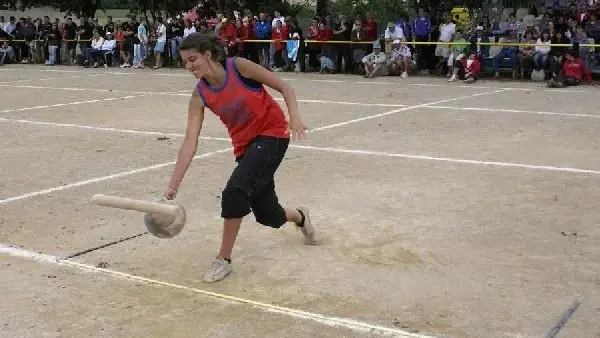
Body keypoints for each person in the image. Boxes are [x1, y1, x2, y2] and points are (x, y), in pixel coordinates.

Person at [163, 33, 316, 283]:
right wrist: (172, 187)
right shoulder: (199, 95)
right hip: (246, 148)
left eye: (193, 59)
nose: (189, 66)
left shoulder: (239, 67)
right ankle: (300, 216)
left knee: (235, 191)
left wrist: (295, 117)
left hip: (273, 135)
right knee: (269, 215)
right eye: (185, 62)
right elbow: (190, 142)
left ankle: (223, 259)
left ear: (208, 55)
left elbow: (285, 87)